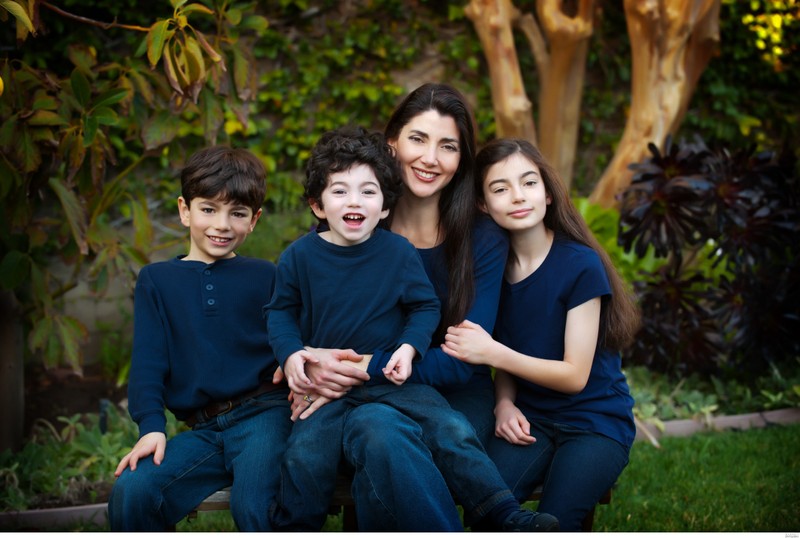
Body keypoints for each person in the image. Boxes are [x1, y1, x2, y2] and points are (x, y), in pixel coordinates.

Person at [265, 125, 558, 532]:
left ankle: (501, 512)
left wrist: (408, 349)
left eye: (368, 193)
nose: (354, 202)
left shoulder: (396, 251)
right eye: (340, 192)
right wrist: (294, 355)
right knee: (304, 455)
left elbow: (424, 307)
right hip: (328, 391)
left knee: (450, 428)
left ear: (385, 207)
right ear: (317, 205)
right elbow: (279, 313)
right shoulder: (300, 256)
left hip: (391, 379)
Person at [293, 83, 513, 530]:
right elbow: (305, 315)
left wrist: (366, 368)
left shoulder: (482, 238)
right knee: (378, 426)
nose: (430, 158)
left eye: (447, 146)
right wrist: (308, 364)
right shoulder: (353, 218)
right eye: (418, 139)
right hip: (355, 392)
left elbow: (462, 360)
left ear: (461, 160)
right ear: (391, 143)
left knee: (381, 428)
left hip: (450, 395)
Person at [441, 138, 640, 531]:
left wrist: (491, 353)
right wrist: (504, 404)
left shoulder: (579, 265)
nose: (518, 196)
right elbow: (512, 348)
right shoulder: (491, 270)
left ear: (548, 193)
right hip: (531, 418)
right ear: (482, 204)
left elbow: (574, 375)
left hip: (594, 420)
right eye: (500, 188)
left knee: (555, 520)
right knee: (487, 513)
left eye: (529, 183)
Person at [108, 146, 291, 531]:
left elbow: (292, 336)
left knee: (254, 505)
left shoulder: (265, 275)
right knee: (134, 490)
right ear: (184, 209)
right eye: (209, 209)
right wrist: (152, 426)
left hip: (264, 417)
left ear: (254, 220)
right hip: (204, 431)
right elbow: (148, 361)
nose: (222, 224)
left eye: (237, 213)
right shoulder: (156, 281)